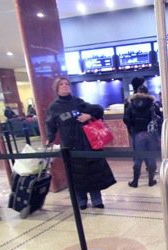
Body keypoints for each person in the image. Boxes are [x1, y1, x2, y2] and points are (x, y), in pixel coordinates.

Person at [45, 77, 115, 209]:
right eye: (61, 84)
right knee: (77, 175)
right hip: (70, 145)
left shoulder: (77, 102)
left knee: (93, 172)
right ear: (57, 88)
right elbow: (50, 124)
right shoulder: (54, 107)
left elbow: (98, 109)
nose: (65, 86)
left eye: (67, 84)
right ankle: (81, 200)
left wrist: (89, 116)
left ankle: (97, 200)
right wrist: (49, 138)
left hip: (88, 143)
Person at [123, 85, 162, 188]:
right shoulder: (152, 104)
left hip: (138, 134)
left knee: (138, 158)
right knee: (151, 157)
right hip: (151, 133)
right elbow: (160, 118)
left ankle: (135, 182)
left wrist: (133, 128)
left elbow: (126, 119)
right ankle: (151, 181)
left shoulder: (130, 104)